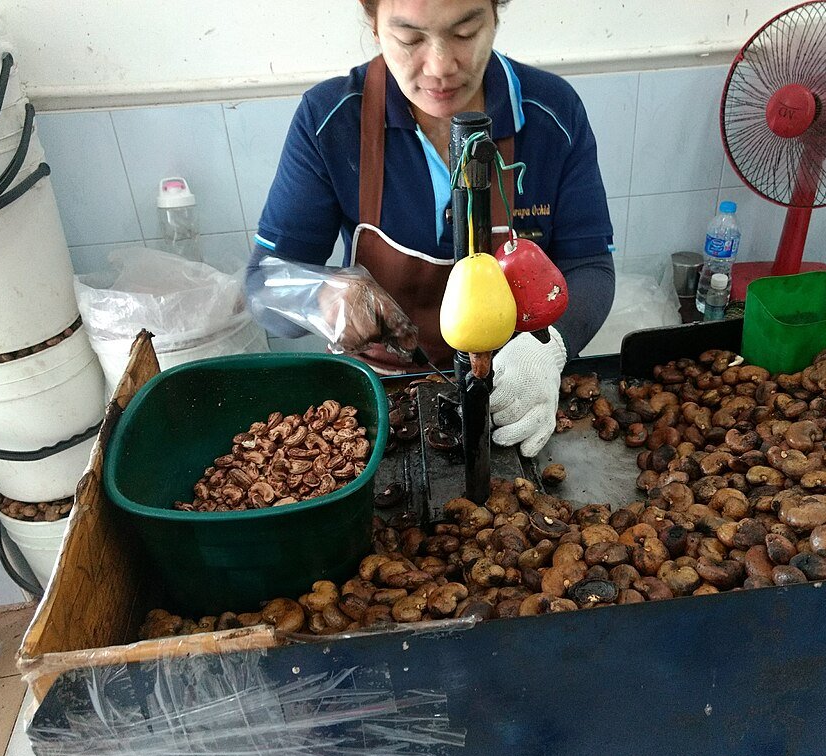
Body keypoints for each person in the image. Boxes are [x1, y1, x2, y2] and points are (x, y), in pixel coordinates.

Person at [246, 0, 615, 458]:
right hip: (382, 401)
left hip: (514, 394)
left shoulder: (551, 113)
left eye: (464, 33)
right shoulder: (332, 119)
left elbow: (591, 267)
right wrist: (321, 297)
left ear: (496, 16)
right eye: (410, 38)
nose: (440, 66)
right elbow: (262, 284)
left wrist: (550, 348)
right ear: (375, 27)